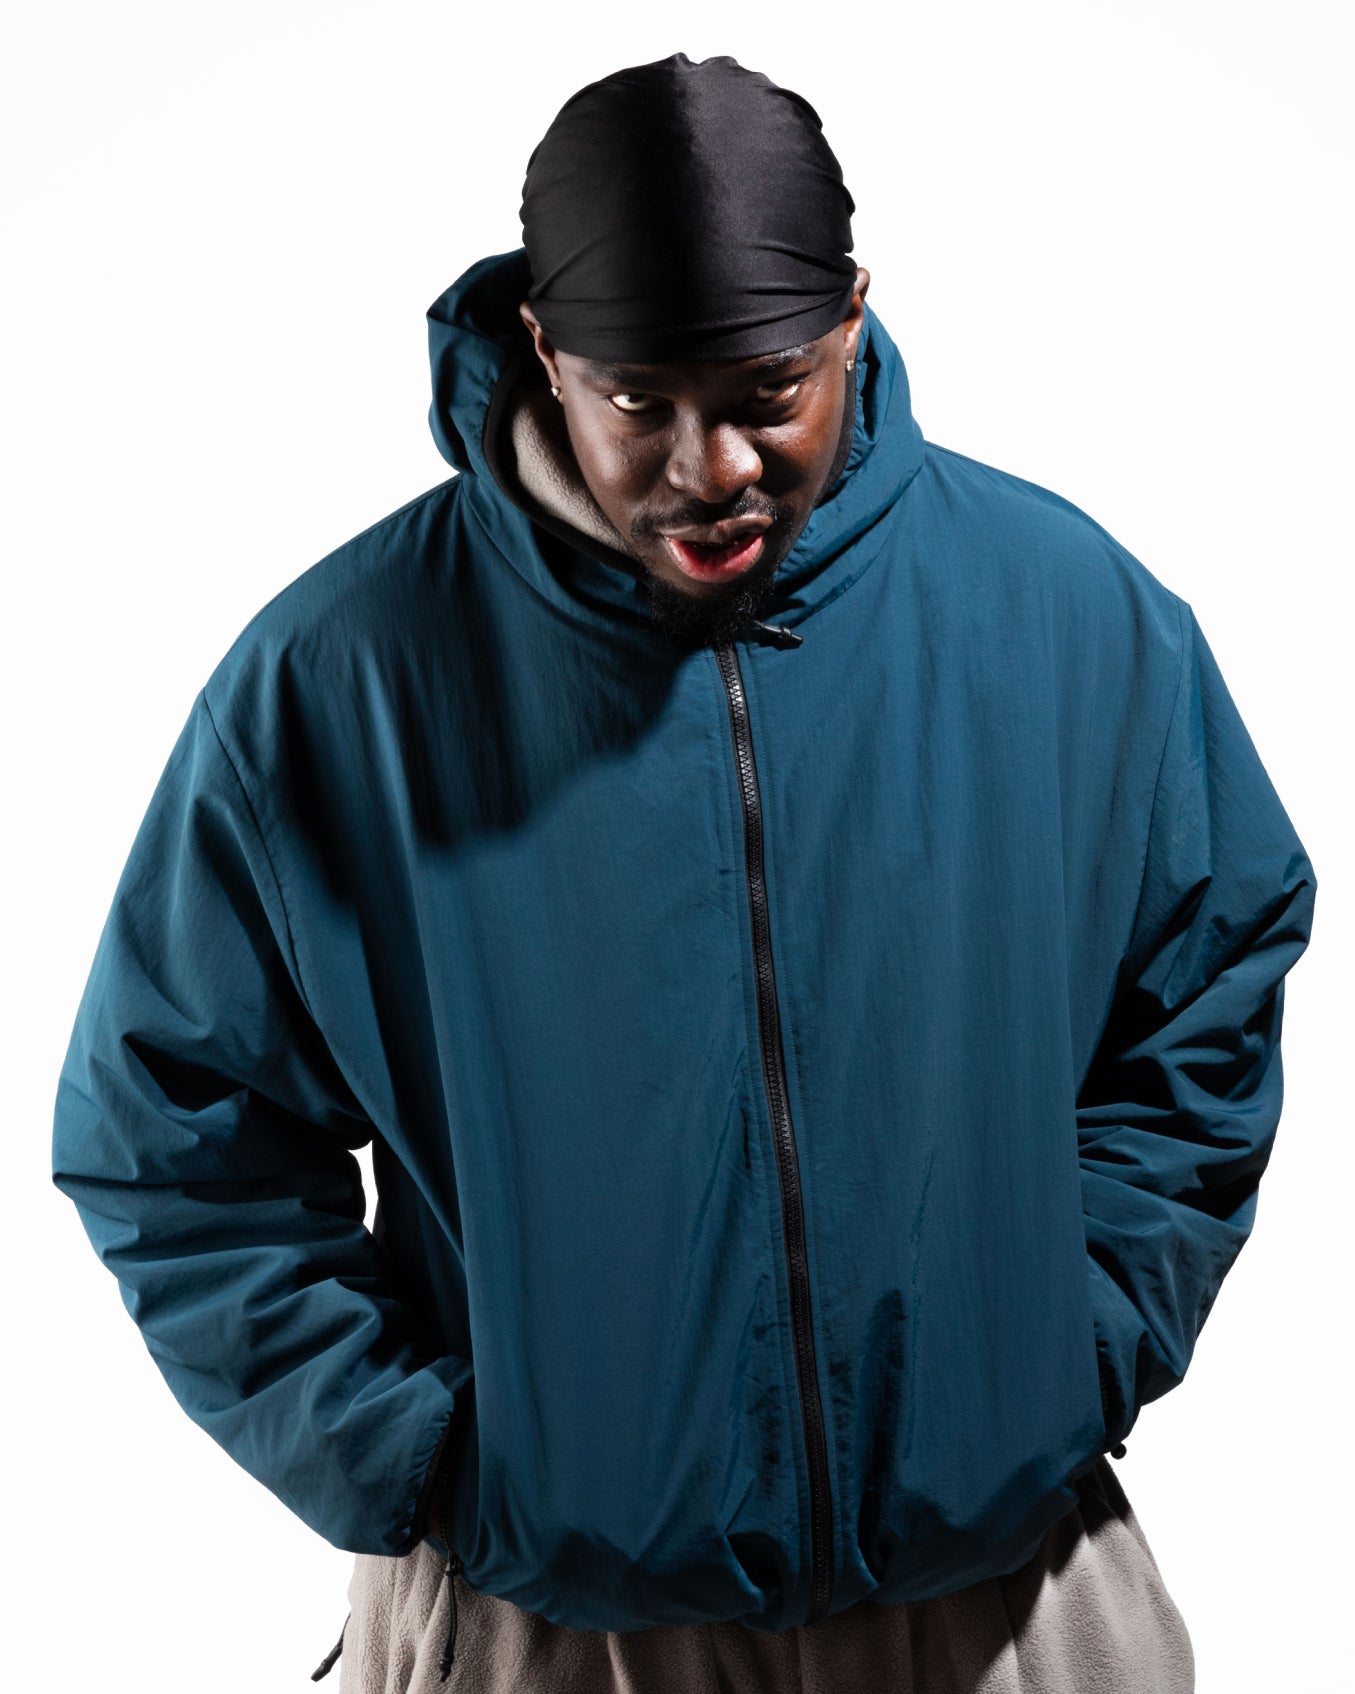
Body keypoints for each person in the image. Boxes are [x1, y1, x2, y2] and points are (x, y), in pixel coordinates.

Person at [51, 51, 1316, 1694]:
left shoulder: (1074, 619)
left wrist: (1065, 1356)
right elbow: (168, 1128)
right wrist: (420, 1458)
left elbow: (1206, 984)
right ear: (544, 352)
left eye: (768, 391)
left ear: (852, 319)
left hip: (1006, 1609)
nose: (710, 466)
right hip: (549, 1630)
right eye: (639, 400)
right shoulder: (342, 681)